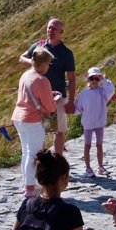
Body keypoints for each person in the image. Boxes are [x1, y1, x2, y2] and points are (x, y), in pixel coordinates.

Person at [20, 19, 77, 154]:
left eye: (54, 29)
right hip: (38, 98)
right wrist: (34, 62)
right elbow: (21, 58)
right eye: (49, 28)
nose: (50, 31)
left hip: (58, 97)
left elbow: (72, 79)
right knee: (38, 130)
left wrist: (70, 101)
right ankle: (40, 159)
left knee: (59, 130)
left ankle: (58, 160)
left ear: (61, 32)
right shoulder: (38, 47)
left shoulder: (66, 53)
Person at [13, 49, 59, 197]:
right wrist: (55, 99)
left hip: (19, 117)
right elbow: (50, 107)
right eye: (48, 64)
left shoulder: (25, 75)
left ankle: (26, 182)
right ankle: (30, 187)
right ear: (44, 63)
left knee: (25, 152)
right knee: (33, 154)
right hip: (32, 119)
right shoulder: (42, 80)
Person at [75, 67, 116, 179]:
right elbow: (78, 108)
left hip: (99, 122)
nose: (94, 80)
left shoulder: (103, 92)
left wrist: (104, 79)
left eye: (96, 78)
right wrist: (69, 109)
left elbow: (111, 90)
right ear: (88, 79)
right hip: (88, 123)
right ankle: (88, 167)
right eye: (91, 78)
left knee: (99, 145)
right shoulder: (83, 94)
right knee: (87, 146)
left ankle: (100, 166)